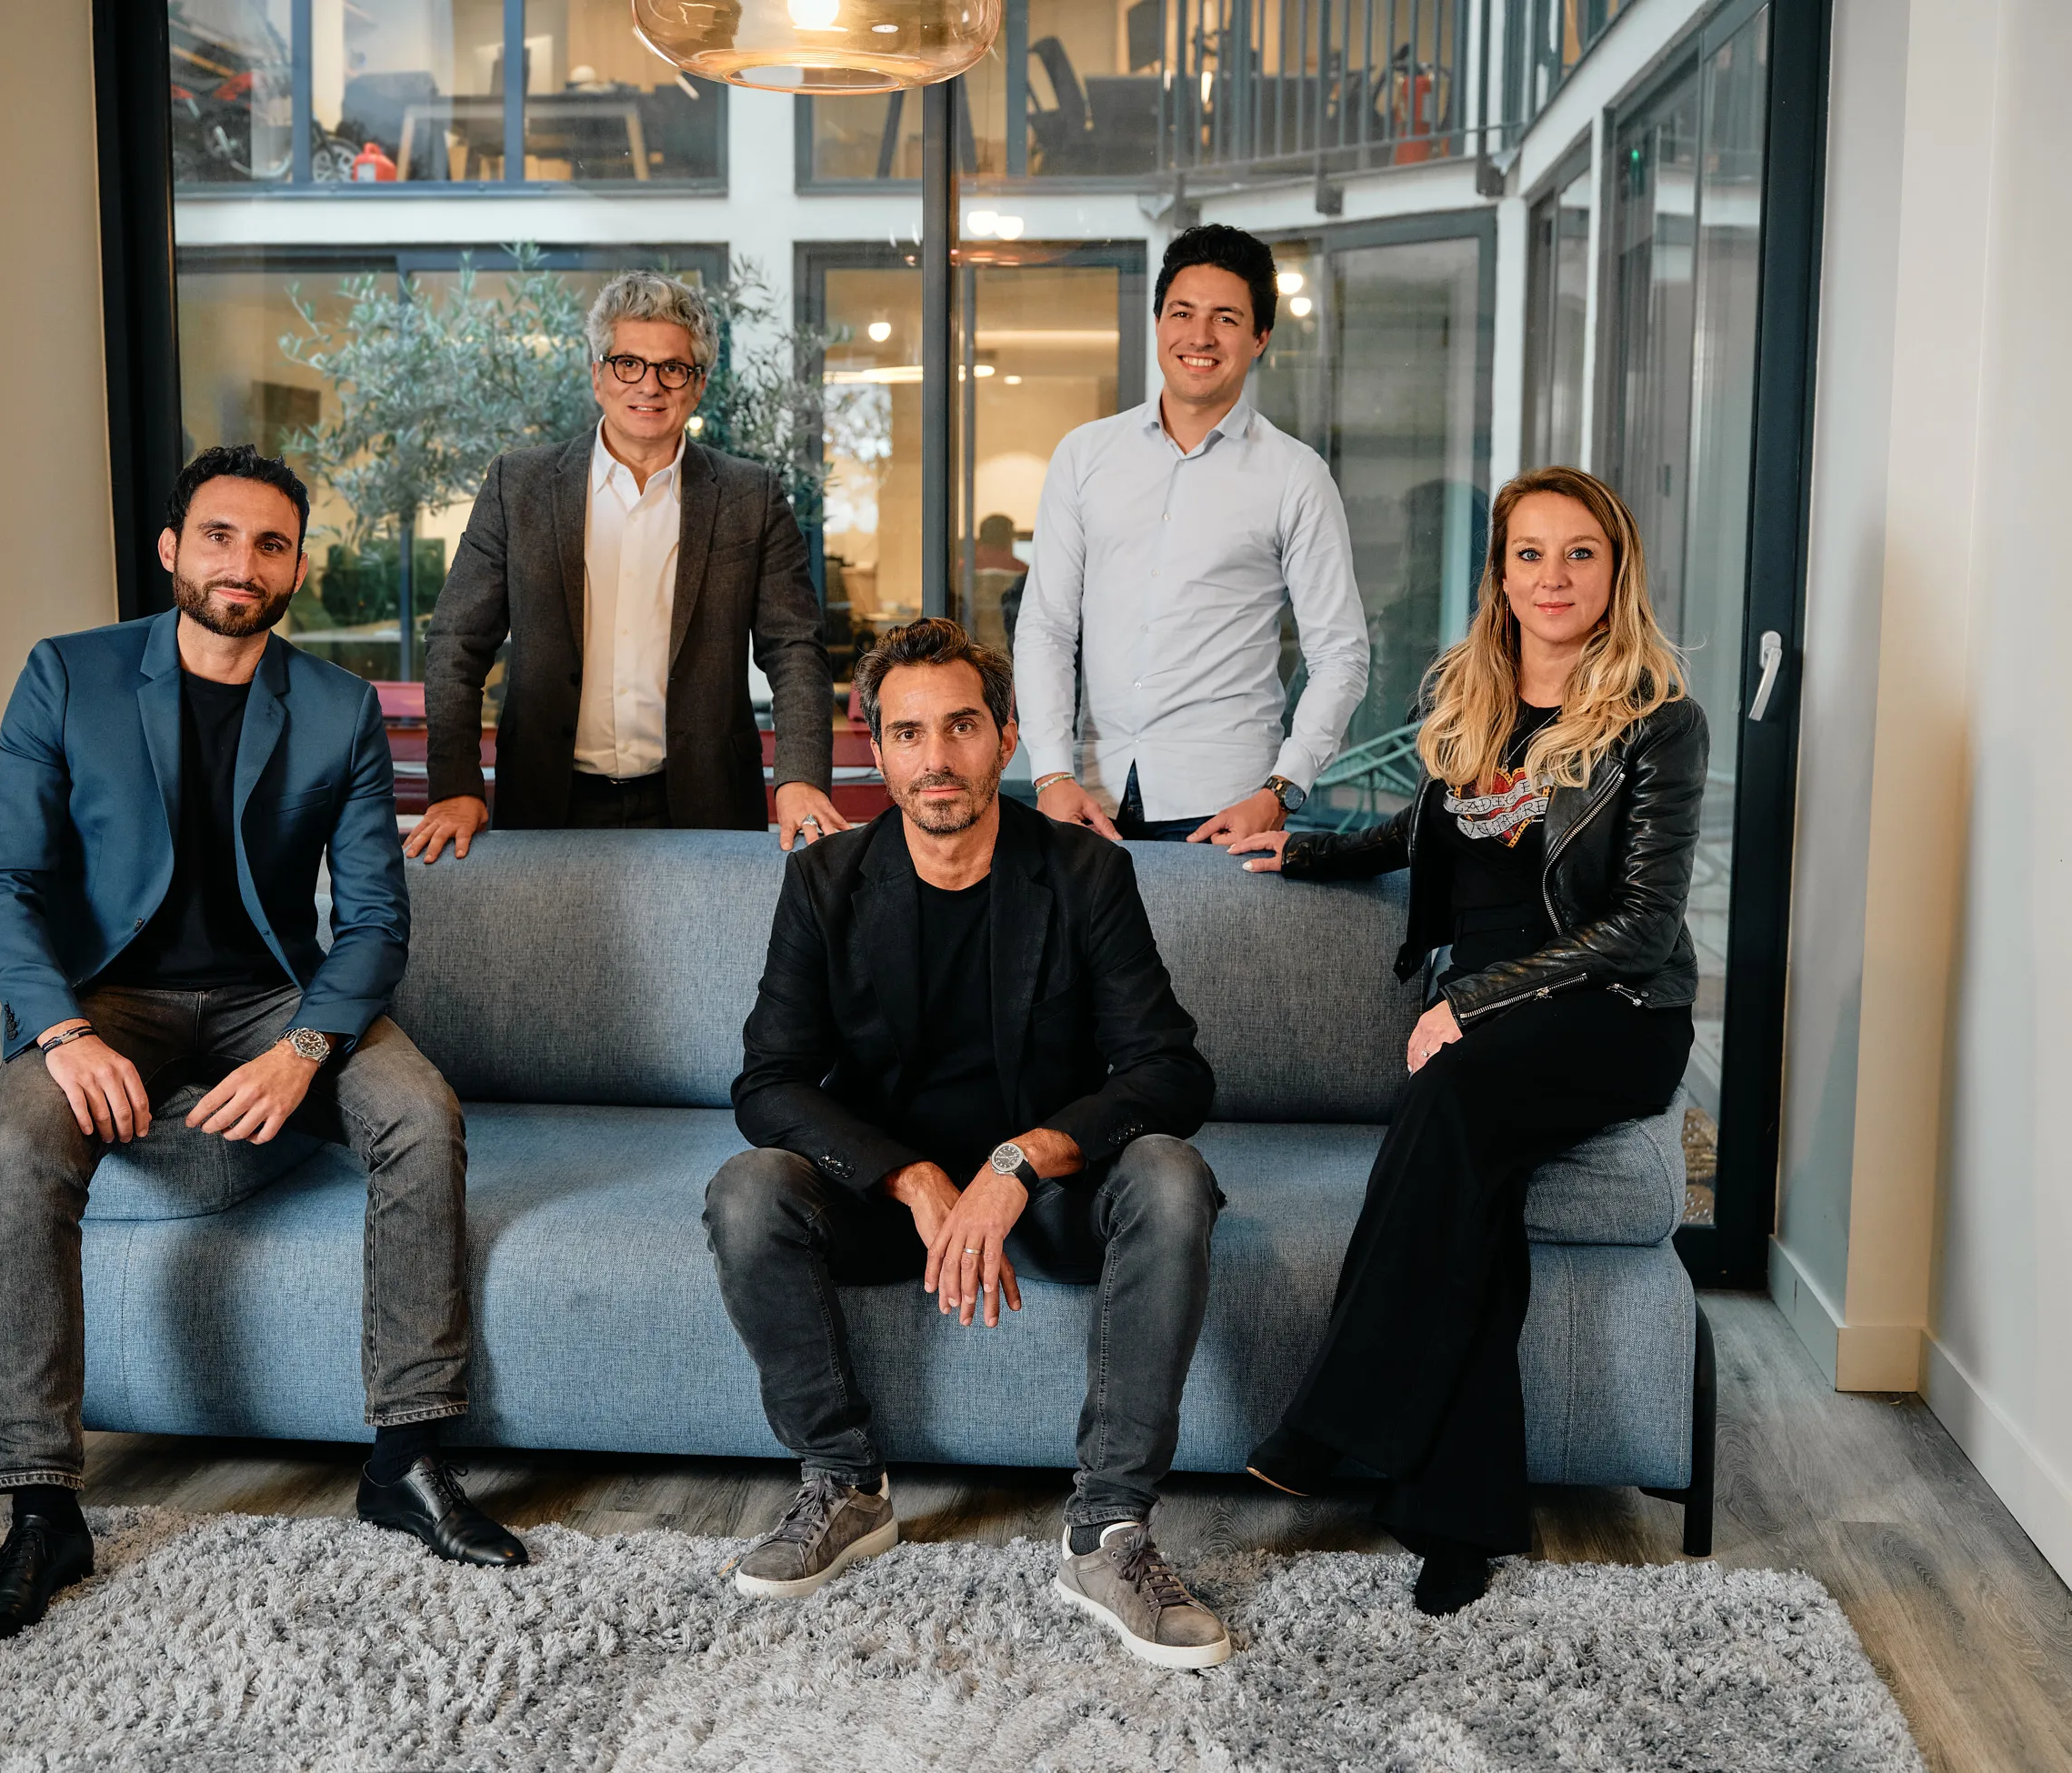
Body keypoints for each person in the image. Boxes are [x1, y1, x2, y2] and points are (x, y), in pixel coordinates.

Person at [0, 446, 525, 1648]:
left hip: (272, 996)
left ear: (297, 568)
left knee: (420, 1111)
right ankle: (42, 1502)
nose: (242, 563)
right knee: (21, 1137)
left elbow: (372, 919)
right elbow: (1, 879)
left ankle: (405, 1455)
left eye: (270, 544)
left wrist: (308, 1042)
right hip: (107, 997)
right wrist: (60, 1029)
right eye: (218, 536)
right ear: (171, 550)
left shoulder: (334, 706)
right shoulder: (70, 677)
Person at [706, 617, 1234, 1670]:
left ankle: (1109, 1531)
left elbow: (1171, 1073)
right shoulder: (824, 885)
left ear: (1004, 737)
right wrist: (906, 1177)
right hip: (891, 1202)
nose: (935, 759)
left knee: (1173, 1178)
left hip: (1047, 1201)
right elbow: (765, 1084)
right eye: (907, 734)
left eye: (959, 728)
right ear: (876, 749)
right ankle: (845, 1484)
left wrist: (1019, 1160)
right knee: (747, 1190)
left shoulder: (1084, 875)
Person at [1228, 466, 1705, 1617]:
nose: (1552, 576)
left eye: (1578, 553)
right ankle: (1461, 1516)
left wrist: (1475, 1005)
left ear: (1613, 570)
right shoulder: (1471, 700)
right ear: (1498, 573)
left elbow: (1639, 926)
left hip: (1611, 1014)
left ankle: (1329, 1416)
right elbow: (1423, 826)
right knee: (1471, 1202)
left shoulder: (1656, 721)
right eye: (1528, 552)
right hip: (1489, 1018)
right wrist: (1302, 846)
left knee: (1446, 1095)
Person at [407, 269, 841, 856]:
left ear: (699, 384)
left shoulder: (752, 496)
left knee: (706, 953)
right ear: (597, 375)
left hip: (702, 799)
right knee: (546, 953)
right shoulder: (519, 485)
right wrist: (455, 785)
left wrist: (801, 778)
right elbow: (456, 642)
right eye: (627, 363)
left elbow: (796, 651)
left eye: (672, 368)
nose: (649, 385)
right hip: (548, 798)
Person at [1014, 222, 1369, 845]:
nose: (1199, 336)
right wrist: (1049, 773)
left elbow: (1341, 655)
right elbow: (1046, 625)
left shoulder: (1296, 476)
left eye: (1226, 319)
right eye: (1182, 312)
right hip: (1086, 795)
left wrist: (1282, 790)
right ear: (1158, 324)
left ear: (1260, 338)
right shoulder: (1084, 455)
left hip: (1224, 804)